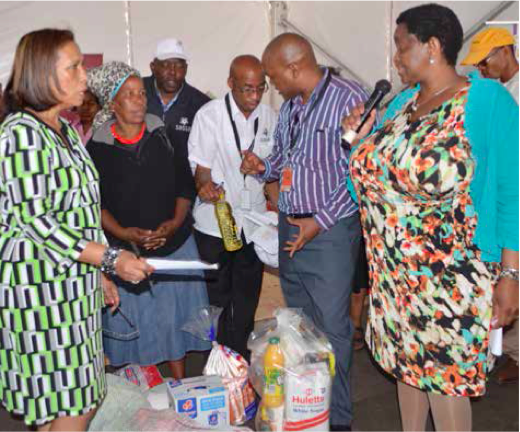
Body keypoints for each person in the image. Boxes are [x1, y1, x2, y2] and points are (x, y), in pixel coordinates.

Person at [343, 4, 519, 431]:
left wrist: (511, 274)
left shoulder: (486, 101)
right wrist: (360, 144)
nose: (397, 58)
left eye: (403, 47)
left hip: (452, 279)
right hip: (395, 278)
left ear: (433, 47)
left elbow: (510, 194)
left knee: (445, 383)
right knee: (409, 371)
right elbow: (367, 190)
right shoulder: (402, 104)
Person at [0, 29, 152, 431]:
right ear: (42, 74)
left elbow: (82, 210)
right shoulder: (20, 134)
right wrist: (111, 258)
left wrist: (98, 272)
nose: (85, 77)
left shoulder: (65, 130)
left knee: (74, 399)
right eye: (74, 67)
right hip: (41, 294)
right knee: (74, 401)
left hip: (71, 288)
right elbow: (38, 221)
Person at [240, 33, 369, 430]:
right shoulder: (294, 106)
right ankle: (305, 410)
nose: (271, 84)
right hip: (290, 229)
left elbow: (359, 174)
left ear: (295, 67)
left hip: (327, 232)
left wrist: (319, 223)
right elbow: (283, 159)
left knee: (331, 329)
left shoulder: (349, 99)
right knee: (297, 327)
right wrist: (262, 167)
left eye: (274, 75)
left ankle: (338, 419)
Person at [87, 61, 211, 379]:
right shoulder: (98, 149)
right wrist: (124, 233)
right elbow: (95, 205)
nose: (139, 100)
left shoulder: (163, 134)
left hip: (174, 244)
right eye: (129, 95)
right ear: (112, 104)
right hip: (126, 251)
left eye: (141, 93)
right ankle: (140, 387)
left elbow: (185, 186)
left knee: (173, 318)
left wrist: (173, 224)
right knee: (139, 321)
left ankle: (180, 383)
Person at [188, 55, 277, 360]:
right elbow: (200, 166)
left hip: (253, 221)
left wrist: (263, 170)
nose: (254, 97)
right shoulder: (209, 116)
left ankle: (239, 361)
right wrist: (205, 184)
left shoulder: (269, 116)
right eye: (246, 89)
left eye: (260, 89)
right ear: (230, 84)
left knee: (247, 295)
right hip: (215, 221)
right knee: (218, 297)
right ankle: (218, 359)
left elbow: (273, 168)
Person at [462, 28, 519, 384]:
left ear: (505, 51)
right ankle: (505, 351)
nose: (481, 69)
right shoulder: (494, 93)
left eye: (485, 61)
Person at [144, 38, 210, 152]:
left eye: (179, 66)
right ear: (153, 67)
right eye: (165, 65)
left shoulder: (201, 105)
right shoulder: (134, 93)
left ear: (186, 69)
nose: (172, 72)